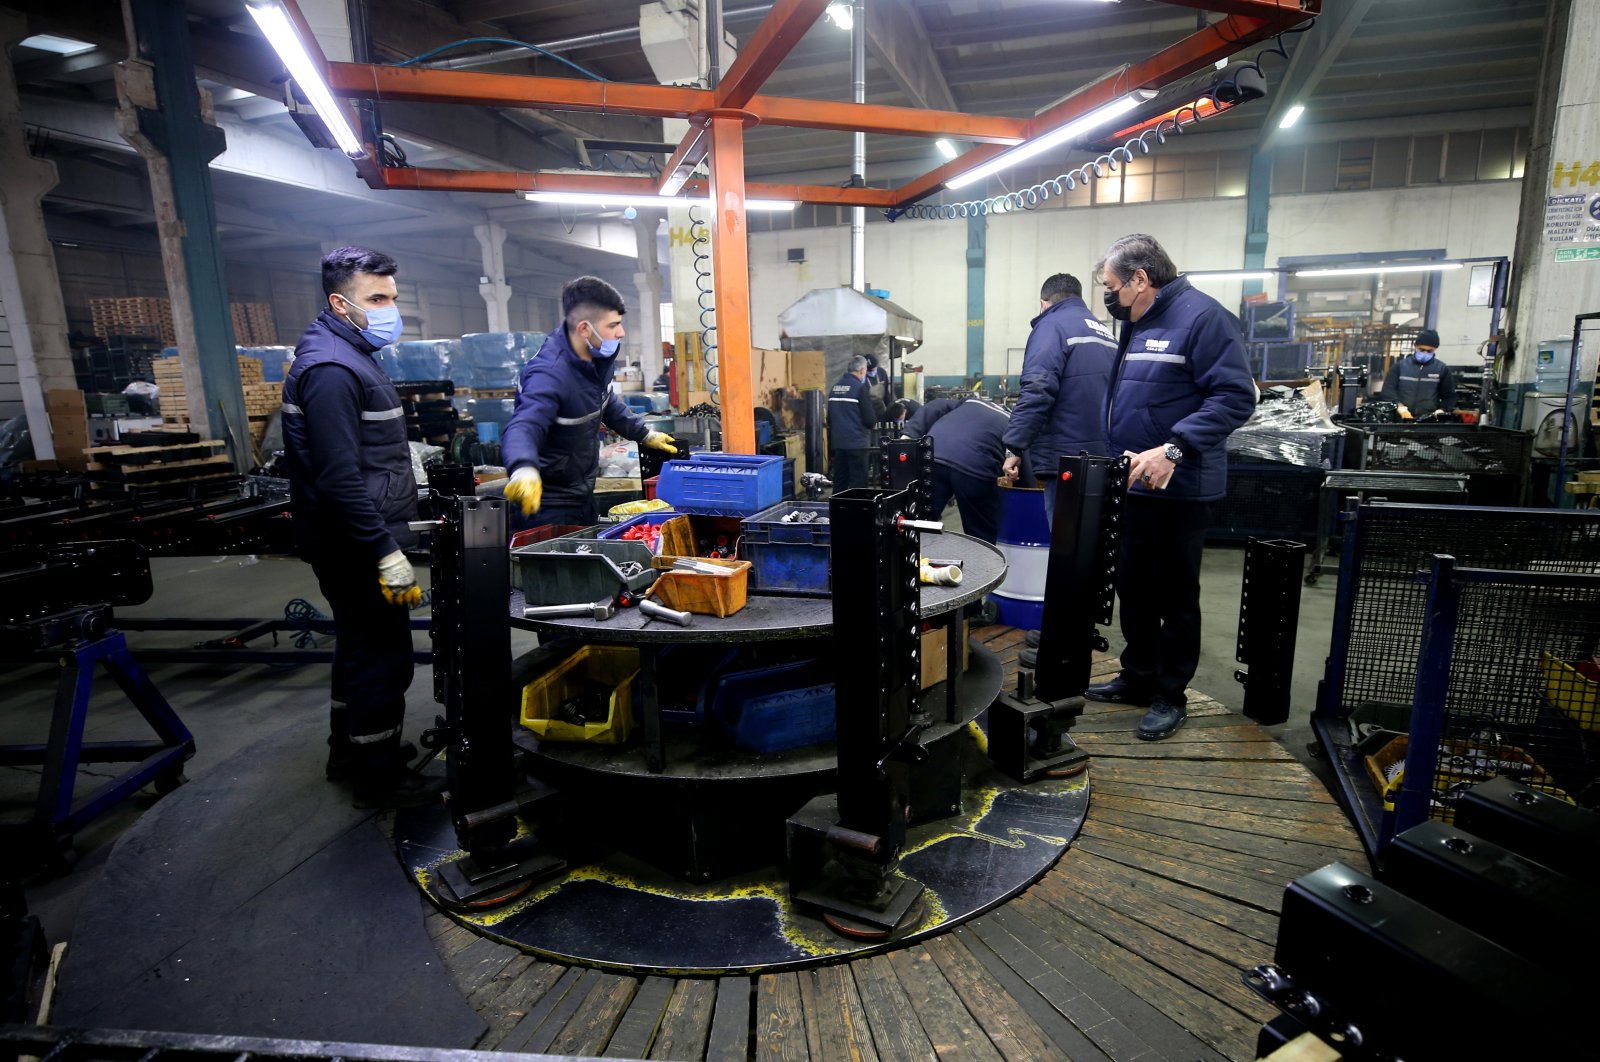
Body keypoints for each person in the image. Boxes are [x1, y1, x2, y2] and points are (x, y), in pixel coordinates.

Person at [281, 246, 437, 808]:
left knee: (355, 649)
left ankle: (347, 753)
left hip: (355, 532)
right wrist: (383, 551)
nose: (389, 309)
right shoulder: (331, 369)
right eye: (377, 299)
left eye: (393, 298)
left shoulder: (351, 352)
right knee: (381, 655)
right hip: (354, 541)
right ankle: (380, 777)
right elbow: (339, 475)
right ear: (339, 303)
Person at [1090, 234, 1256, 741]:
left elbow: (1235, 396)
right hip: (1135, 484)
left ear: (1142, 280)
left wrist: (1173, 450)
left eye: (1112, 287)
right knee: (1134, 587)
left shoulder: (1204, 318)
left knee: (1175, 596)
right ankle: (1138, 677)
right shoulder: (1138, 323)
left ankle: (1169, 693)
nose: (1109, 297)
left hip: (1180, 489)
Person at [502, 276, 678, 527]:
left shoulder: (594, 360)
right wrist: (523, 468)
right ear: (585, 329)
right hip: (546, 503)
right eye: (613, 325)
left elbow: (604, 401)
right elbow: (524, 425)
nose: (621, 332)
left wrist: (644, 434)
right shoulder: (550, 375)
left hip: (582, 493)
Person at [1001, 273, 1117, 525]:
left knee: (1068, 545)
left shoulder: (1051, 325)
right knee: (1093, 542)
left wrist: (1014, 446)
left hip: (1068, 461)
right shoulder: (1104, 331)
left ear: (1043, 303)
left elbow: (1038, 388)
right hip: (1105, 458)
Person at [902, 396, 1017, 545]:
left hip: (931, 455)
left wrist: (909, 434)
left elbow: (934, 405)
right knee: (980, 533)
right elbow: (1022, 463)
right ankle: (982, 565)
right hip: (976, 467)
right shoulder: (1013, 422)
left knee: (920, 522)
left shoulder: (969, 402)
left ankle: (917, 562)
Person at [828, 355, 877, 492]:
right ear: (862, 370)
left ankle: (838, 511)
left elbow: (829, 419)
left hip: (839, 444)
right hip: (857, 445)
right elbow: (870, 420)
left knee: (840, 482)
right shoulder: (860, 389)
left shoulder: (834, 388)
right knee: (858, 484)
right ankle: (857, 512)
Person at [1380, 328, 1456, 418]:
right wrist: (1400, 407)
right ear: (1415, 346)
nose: (1425, 353)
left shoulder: (1442, 369)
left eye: (1429, 351)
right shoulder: (1400, 366)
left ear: (1435, 349)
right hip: (1399, 418)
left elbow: (1449, 396)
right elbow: (1388, 391)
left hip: (1427, 420)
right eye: (1421, 349)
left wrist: (1442, 410)